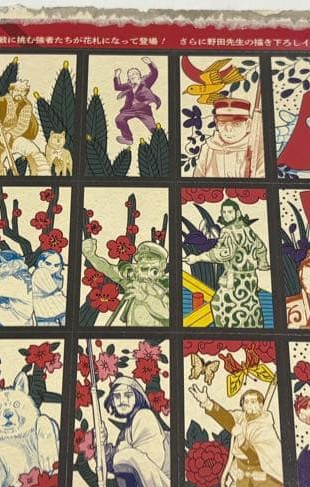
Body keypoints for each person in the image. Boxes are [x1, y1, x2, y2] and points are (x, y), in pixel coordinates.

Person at [187, 384, 283, 487]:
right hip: (243, 484)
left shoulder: (265, 428)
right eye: (246, 402)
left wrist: (242, 439)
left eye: (253, 401)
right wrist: (207, 402)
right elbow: (226, 418)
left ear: (261, 405)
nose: (249, 405)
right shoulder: (240, 419)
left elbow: (255, 457)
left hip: (264, 482)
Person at [183, 200, 269, 328]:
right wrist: (262, 263)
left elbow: (224, 253)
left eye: (229, 212)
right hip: (251, 278)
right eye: (224, 212)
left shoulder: (227, 231)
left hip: (235, 280)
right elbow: (261, 248)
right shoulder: (247, 229)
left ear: (237, 213)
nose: (226, 215)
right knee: (250, 305)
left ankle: (229, 332)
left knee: (220, 304)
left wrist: (197, 258)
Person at [103, 376, 171, 487]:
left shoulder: (144, 416)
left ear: (137, 397)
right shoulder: (126, 430)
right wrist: (102, 444)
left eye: (128, 395)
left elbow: (152, 460)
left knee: (127, 455)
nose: (122, 401)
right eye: (116, 396)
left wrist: (121, 452)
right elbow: (114, 466)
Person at [82, 238, 169, 326]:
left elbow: (168, 314)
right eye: (141, 258)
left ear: (162, 264)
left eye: (149, 258)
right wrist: (91, 256)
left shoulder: (166, 284)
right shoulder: (133, 281)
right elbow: (108, 269)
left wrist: (146, 298)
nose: (143, 262)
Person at [0, 80, 50, 176]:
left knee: (34, 153)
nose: (20, 93)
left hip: (16, 135)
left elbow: (22, 125)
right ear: (11, 90)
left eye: (23, 92)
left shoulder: (26, 105)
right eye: (17, 90)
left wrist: (10, 134)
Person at [193, 98, 264, 177]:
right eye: (222, 123)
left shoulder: (257, 149)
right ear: (216, 123)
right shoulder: (208, 149)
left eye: (236, 124)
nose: (228, 129)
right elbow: (197, 180)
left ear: (248, 124)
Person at [113, 57, 161, 145]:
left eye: (134, 74)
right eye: (130, 75)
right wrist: (116, 76)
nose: (132, 76)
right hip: (130, 109)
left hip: (144, 109)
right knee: (119, 119)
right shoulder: (129, 85)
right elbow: (117, 87)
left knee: (153, 128)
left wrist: (150, 63)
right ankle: (128, 138)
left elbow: (154, 74)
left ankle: (160, 140)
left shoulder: (145, 82)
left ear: (139, 76)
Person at [31, 250, 66, 326]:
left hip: (53, 310)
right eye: (48, 264)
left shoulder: (52, 275)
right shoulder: (40, 271)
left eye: (56, 265)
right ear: (40, 263)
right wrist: (58, 293)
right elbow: (52, 289)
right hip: (44, 310)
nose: (52, 267)